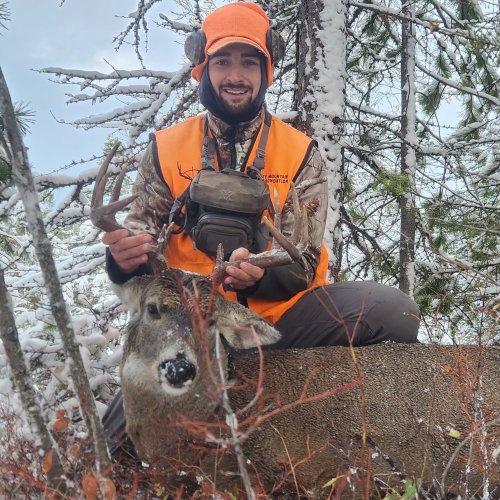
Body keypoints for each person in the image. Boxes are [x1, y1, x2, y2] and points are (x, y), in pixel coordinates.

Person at [101, 2, 419, 454]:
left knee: (394, 311)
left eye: (249, 62)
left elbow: (304, 260)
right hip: (194, 325)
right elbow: (140, 249)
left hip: (280, 320)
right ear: (202, 68)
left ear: (266, 71)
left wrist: (260, 275)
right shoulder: (166, 149)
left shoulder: (300, 152)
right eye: (223, 62)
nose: (236, 75)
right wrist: (123, 260)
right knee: (114, 451)